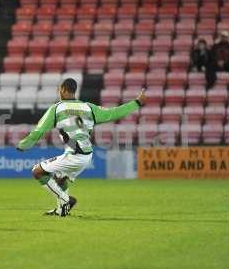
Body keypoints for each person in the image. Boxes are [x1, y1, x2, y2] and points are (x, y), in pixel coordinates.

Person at [17, 78, 146, 217]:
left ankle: (65, 199)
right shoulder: (88, 107)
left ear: (64, 90)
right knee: (61, 179)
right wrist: (136, 103)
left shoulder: (57, 108)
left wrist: (23, 144)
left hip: (75, 154)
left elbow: (39, 131)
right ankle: (61, 210)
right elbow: (113, 113)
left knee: (37, 171)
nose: (59, 92)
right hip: (86, 154)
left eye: (60, 89)